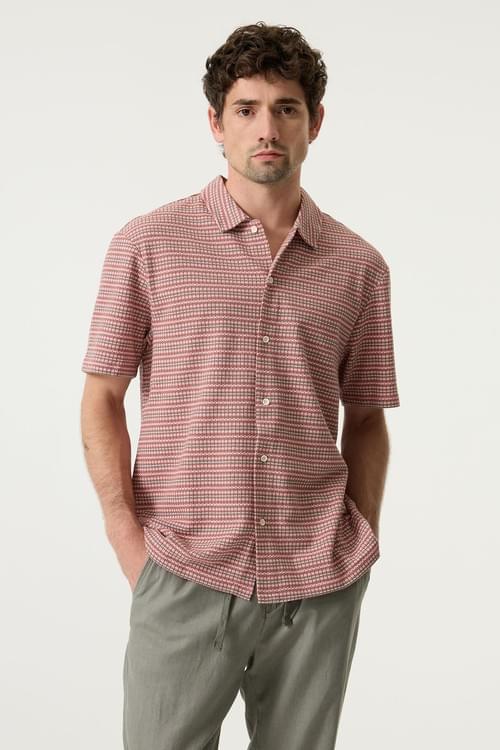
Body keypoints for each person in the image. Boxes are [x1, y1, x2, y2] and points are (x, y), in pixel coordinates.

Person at [80, 20, 400, 750]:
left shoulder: (359, 267)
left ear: (315, 122)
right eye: (246, 108)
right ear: (215, 123)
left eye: (286, 108)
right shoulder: (148, 244)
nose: (267, 128)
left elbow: (367, 417)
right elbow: (101, 397)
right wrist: (130, 543)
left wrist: (360, 537)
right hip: (182, 567)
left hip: (318, 581)